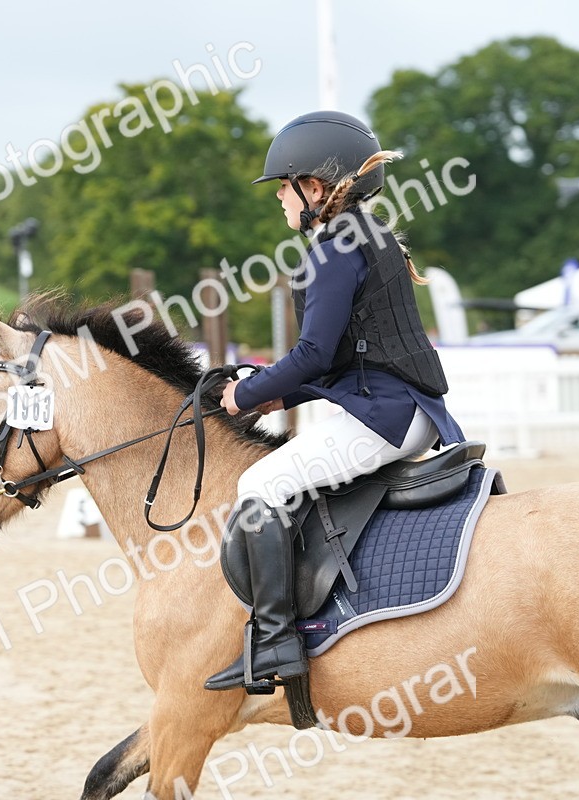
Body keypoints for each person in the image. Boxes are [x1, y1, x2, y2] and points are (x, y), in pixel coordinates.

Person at [204, 110, 466, 693]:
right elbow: (347, 354)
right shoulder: (368, 237)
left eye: (284, 189)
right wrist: (272, 400)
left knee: (259, 487)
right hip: (410, 411)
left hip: (384, 415)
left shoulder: (331, 248)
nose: (280, 201)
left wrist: (245, 391)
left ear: (314, 188)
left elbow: (316, 354)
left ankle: (275, 645)